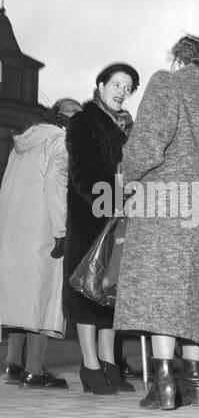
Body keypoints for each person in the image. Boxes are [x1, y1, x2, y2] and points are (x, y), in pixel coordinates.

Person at [113, 34, 199, 409]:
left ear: (179, 57)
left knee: (161, 290)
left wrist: (126, 174)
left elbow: (148, 143)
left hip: (168, 201)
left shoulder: (166, 82)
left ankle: (163, 383)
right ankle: (195, 381)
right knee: (193, 290)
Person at [62, 62, 139, 395]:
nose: (122, 92)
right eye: (116, 85)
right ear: (101, 85)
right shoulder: (84, 121)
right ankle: (90, 364)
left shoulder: (123, 127)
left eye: (127, 88)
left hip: (116, 218)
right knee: (87, 294)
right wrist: (111, 199)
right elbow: (84, 170)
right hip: (91, 218)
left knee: (110, 296)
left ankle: (108, 362)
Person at [0, 98, 82, 388]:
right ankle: (34, 370)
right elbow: (54, 186)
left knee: (21, 297)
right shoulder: (60, 142)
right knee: (43, 298)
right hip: (43, 228)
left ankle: (12, 365)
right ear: (64, 119)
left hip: (13, 230)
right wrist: (61, 231)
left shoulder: (21, 144)